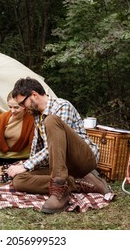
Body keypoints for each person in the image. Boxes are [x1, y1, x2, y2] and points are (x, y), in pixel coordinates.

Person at [7, 77, 111, 214]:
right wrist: (27, 168)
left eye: (22, 103)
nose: (22, 108)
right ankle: (78, 183)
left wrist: (25, 165)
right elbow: (38, 147)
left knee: (51, 121)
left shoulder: (62, 106)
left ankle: (59, 189)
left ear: (34, 95)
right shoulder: (37, 114)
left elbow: (55, 146)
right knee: (19, 180)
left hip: (83, 160)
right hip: (61, 165)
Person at [0, 91, 34, 164]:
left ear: (24, 105)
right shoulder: (3, 117)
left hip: (21, 158)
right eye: (10, 107)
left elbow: (33, 144)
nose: (12, 111)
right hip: (1, 157)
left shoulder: (31, 119)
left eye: (16, 107)